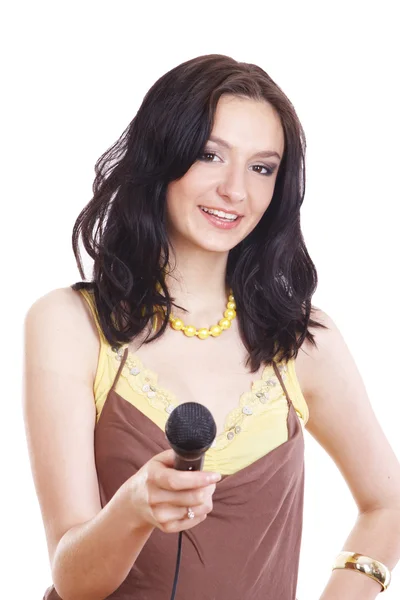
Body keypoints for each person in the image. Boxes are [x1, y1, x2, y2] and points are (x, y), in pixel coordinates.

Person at [23, 54, 400, 600]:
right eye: (210, 155)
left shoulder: (304, 341)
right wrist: (133, 509)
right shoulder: (70, 325)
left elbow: (388, 501)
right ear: (162, 156)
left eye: (262, 167)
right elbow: (74, 579)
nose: (235, 190)